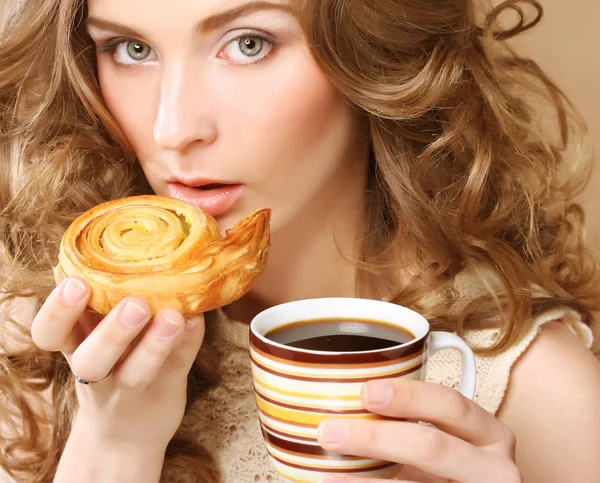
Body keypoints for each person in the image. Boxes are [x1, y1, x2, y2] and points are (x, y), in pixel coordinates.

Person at [1, 0, 600, 482]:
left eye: (248, 43)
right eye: (131, 49)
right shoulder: (39, 345)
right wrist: (112, 445)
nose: (173, 128)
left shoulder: (545, 399)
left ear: (375, 56)